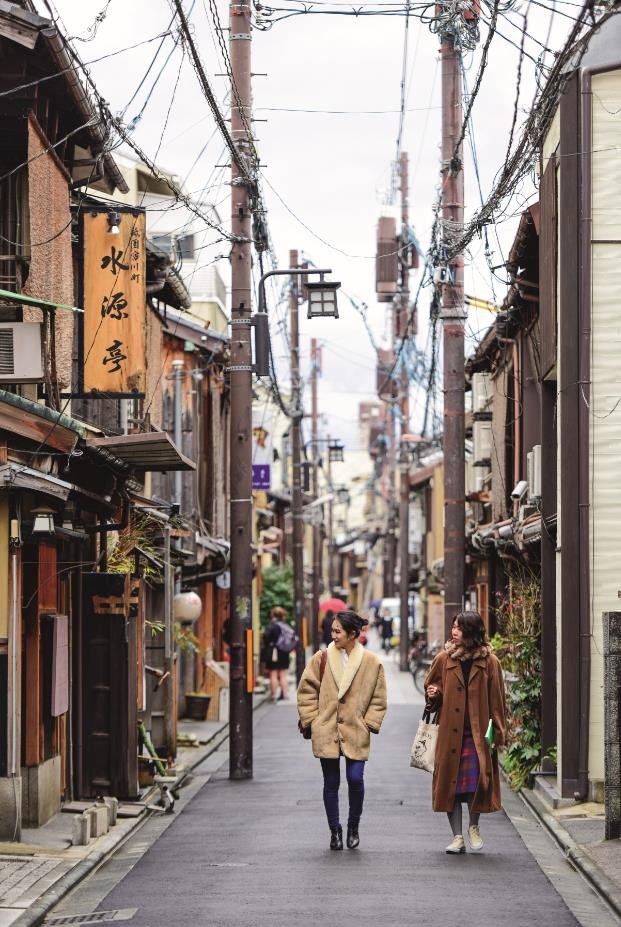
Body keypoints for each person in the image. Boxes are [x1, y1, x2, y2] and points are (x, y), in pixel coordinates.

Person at [297, 610, 387, 851]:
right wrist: (312, 720)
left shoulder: (371, 662)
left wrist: (369, 723)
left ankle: (353, 826)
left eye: (338, 631)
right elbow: (306, 691)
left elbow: (379, 697)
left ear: (352, 634)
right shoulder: (321, 658)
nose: (333, 635)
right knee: (331, 781)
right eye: (333, 630)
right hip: (327, 728)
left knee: (355, 778)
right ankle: (335, 830)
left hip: (356, 729)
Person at [424, 610, 507, 854]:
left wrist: (497, 735)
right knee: (450, 785)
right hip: (450, 733)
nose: (454, 631)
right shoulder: (443, 659)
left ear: (472, 631)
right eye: (453, 627)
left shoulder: (490, 662)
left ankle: (473, 827)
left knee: (475, 784)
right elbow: (432, 686)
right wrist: (433, 694)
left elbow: (497, 702)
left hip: (478, 734)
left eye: (459, 628)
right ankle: (457, 837)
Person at [262, 606, 295, 701]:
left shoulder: (272, 626)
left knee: (273, 674)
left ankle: (273, 695)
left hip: (273, 652)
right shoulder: (285, 626)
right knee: (283, 674)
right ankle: (284, 694)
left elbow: (266, 637)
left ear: (273, 614)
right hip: (284, 652)